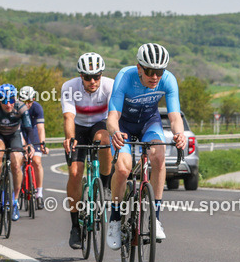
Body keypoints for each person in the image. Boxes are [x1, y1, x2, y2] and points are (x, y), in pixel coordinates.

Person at [106, 43, 187, 249]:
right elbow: (112, 116)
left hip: (150, 122)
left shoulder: (168, 80)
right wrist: (115, 132)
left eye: (159, 71)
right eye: (150, 71)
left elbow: (174, 115)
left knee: (159, 156)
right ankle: (114, 220)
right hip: (123, 124)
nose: (155, 77)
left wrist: (180, 134)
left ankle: (156, 218)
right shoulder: (125, 76)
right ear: (139, 68)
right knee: (123, 168)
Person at [60, 52, 113, 249]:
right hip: (79, 127)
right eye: (87, 77)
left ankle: (105, 186)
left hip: (100, 124)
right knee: (74, 173)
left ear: (101, 75)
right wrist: (70, 138)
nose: (92, 81)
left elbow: (115, 115)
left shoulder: (110, 85)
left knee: (104, 141)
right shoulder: (69, 87)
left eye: (97, 76)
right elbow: (68, 117)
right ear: (80, 76)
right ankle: (75, 227)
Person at [0, 83, 32, 221]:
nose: (8, 104)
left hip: (14, 135)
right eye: (4, 100)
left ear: (15, 99)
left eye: (11, 99)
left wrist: (30, 145)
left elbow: (28, 129)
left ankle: (15, 202)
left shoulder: (21, 107)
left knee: (16, 163)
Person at [18, 85, 48, 210]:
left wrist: (42, 144)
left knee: (36, 161)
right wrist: (24, 146)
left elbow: (40, 128)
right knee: (18, 160)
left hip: (33, 133)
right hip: (19, 133)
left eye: (30, 101)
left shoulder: (37, 108)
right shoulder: (16, 108)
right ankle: (17, 188)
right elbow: (18, 130)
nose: (27, 104)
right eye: (25, 102)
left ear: (33, 99)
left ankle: (39, 194)